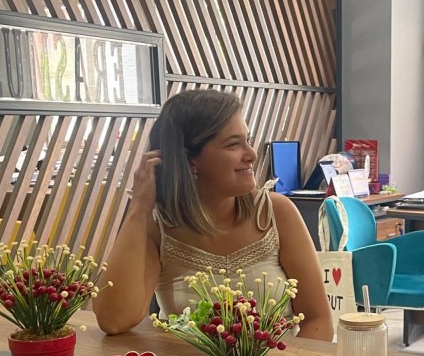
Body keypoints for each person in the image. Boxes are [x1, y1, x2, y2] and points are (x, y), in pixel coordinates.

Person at [94, 89, 332, 340]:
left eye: (248, 140)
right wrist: (139, 209)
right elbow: (114, 320)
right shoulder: (158, 225)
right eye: (233, 144)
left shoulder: (276, 212)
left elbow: (318, 319)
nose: (251, 155)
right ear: (190, 160)